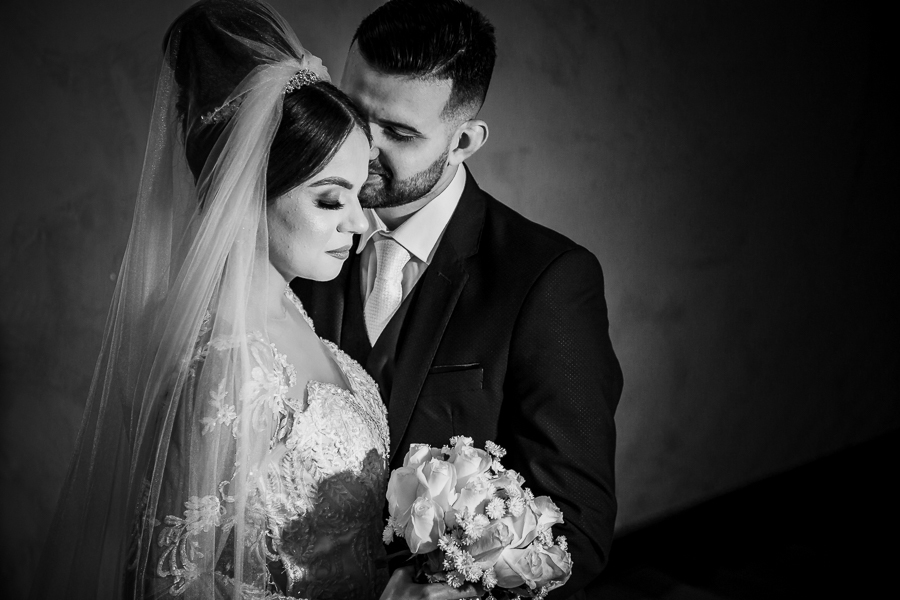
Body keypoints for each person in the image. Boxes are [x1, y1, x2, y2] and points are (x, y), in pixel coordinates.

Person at [30, 1, 457, 598]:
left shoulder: (290, 307)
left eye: (358, 196)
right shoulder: (222, 364)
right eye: (330, 201)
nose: (361, 224)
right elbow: (172, 581)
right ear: (249, 188)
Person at [293, 0, 624, 597]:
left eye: (398, 133)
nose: (364, 147)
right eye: (355, 112)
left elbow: (578, 529)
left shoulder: (547, 281)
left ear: (465, 139)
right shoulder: (288, 237)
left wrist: (455, 591)